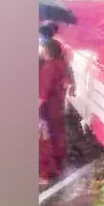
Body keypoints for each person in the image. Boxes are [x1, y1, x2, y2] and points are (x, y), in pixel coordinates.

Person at [39, 39, 69, 183]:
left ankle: (47, 172)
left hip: (48, 108)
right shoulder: (60, 64)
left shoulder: (48, 68)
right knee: (57, 136)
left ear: (48, 51)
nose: (41, 51)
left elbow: (43, 94)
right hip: (58, 106)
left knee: (45, 139)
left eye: (42, 48)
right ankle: (57, 164)